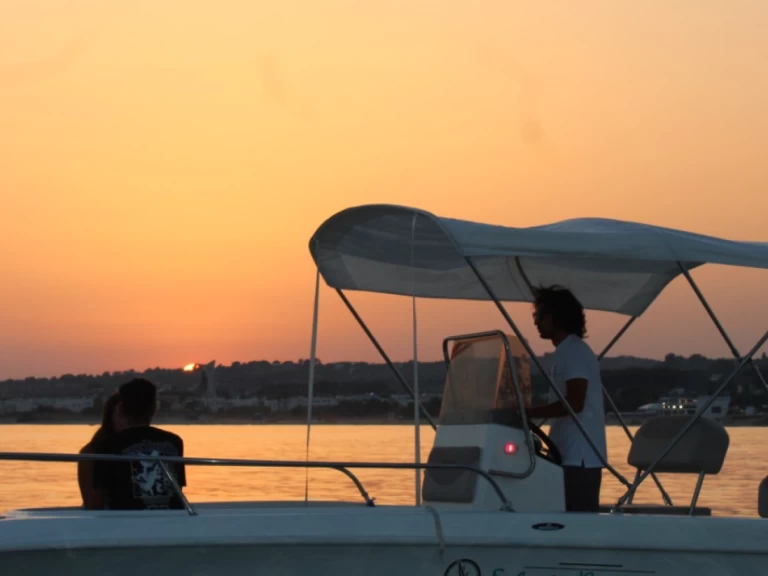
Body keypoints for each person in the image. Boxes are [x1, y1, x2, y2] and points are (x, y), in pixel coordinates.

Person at [527, 285, 607, 513]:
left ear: (557, 317)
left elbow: (575, 403)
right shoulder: (563, 353)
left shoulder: (575, 352)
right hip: (565, 454)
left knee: (578, 523)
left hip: (580, 457)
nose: (536, 321)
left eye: (540, 315)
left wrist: (527, 412)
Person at [91, 378, 187, 510]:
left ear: (121, 408)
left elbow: (97, 501)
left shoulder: (106, 446)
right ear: (154, 408)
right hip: (171, 520)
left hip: (124, 522)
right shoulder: (175, 442)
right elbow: (177, 489)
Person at [78, 392, 124, 509]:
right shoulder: (91, 453)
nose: (127, 420)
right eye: (121, 415)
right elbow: (92, 504)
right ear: (110, 417)